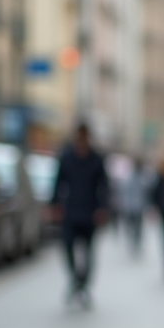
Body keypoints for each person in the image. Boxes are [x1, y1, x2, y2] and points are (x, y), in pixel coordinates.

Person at [50, 123, 110, 307]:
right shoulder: (66, 158)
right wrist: (54, 205)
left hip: (90, 213)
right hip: (71, 212)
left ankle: (83, 285)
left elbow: (104, 186)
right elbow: (58, 182)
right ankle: (76, 280)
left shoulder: (96, 159)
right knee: (68, 249)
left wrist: (103, 208)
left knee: (89, 252)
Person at [117, 156, 150, 257]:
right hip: (134, 206)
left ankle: (135, 242)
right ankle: (135, 242)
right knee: (135, 227)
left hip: (133, 206)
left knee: (135, 227)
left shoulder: (133, 178)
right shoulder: (139, 179)